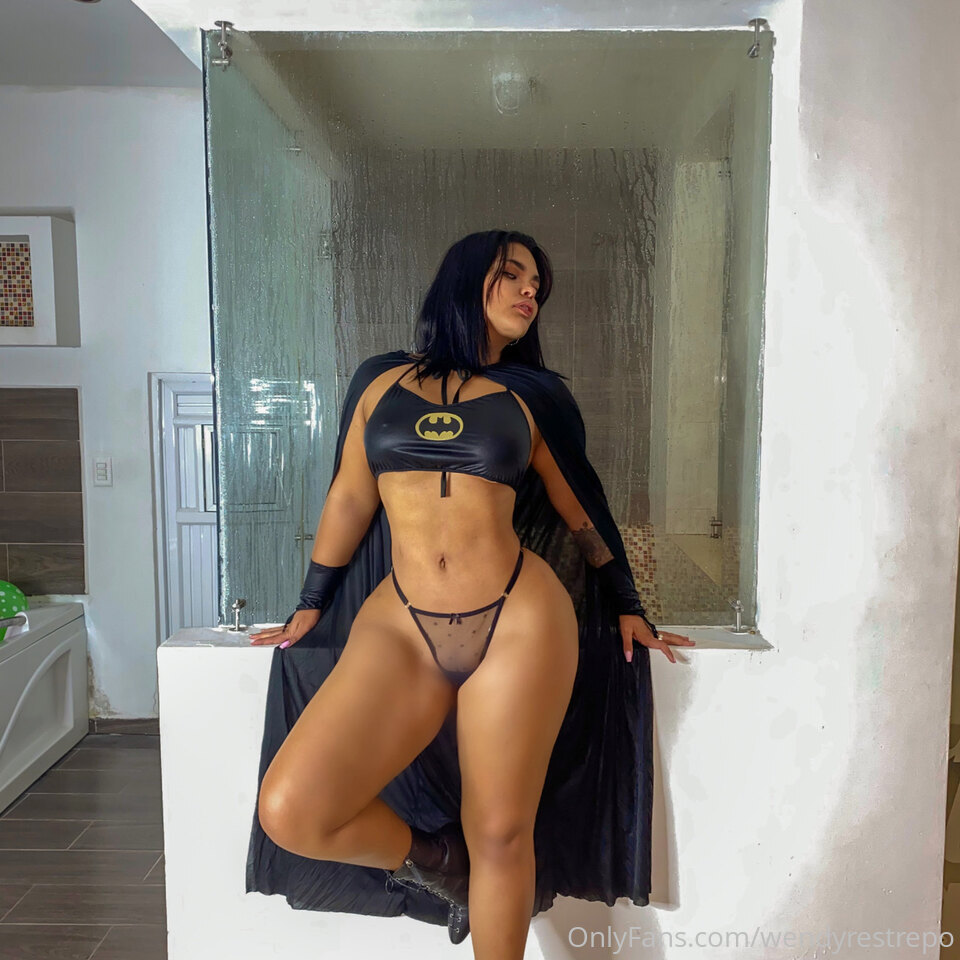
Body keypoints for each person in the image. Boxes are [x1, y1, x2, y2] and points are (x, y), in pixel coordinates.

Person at [245, 229, 693, 957]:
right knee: (291, 807)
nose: (530, 291)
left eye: (537, 284)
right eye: (512, 274)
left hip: (517, 618)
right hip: (402, 623)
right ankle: (439, 862)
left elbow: (583, 512)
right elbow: (350, 498)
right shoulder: (378, 383)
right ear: (464, 278)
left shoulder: (535, 397)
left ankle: (478, 870)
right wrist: (312, 599)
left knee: (502, 833)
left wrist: (627, 604)